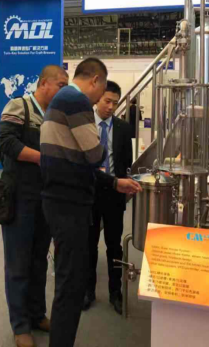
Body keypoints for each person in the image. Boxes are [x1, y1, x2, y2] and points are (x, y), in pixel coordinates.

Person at [40, 58, 141, 347]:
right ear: (95, 80)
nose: (102, 101)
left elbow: (80, 163)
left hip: (61, 201)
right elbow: (96, 155)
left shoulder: (61, 100)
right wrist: (97, 150)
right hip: (69, 205)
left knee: (69, 281)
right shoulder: (76, 101)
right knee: (70, 285)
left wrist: (115, 183)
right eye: (102, 94)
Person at [0, 65, 69, 347]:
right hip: (19, 198)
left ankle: (37, 314)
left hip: (45, 198)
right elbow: (6, 143)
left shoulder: (55, 116)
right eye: (61, 84)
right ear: (43, 83)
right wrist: (43, 158)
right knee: (18, 263)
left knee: (40, 260)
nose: (64, 90)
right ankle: (20, 326)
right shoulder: (19, 106)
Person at [84, 81, 133, 315]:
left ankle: (116, 292)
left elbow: (126, 162)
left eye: (115, 102)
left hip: (114, 194)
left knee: (114, 246)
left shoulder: (123, 128)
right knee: (89, 244)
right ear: (98, 99)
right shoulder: (85, 125)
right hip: (90, 193)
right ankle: (88, 291)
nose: (111, 107)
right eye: (107, 101)